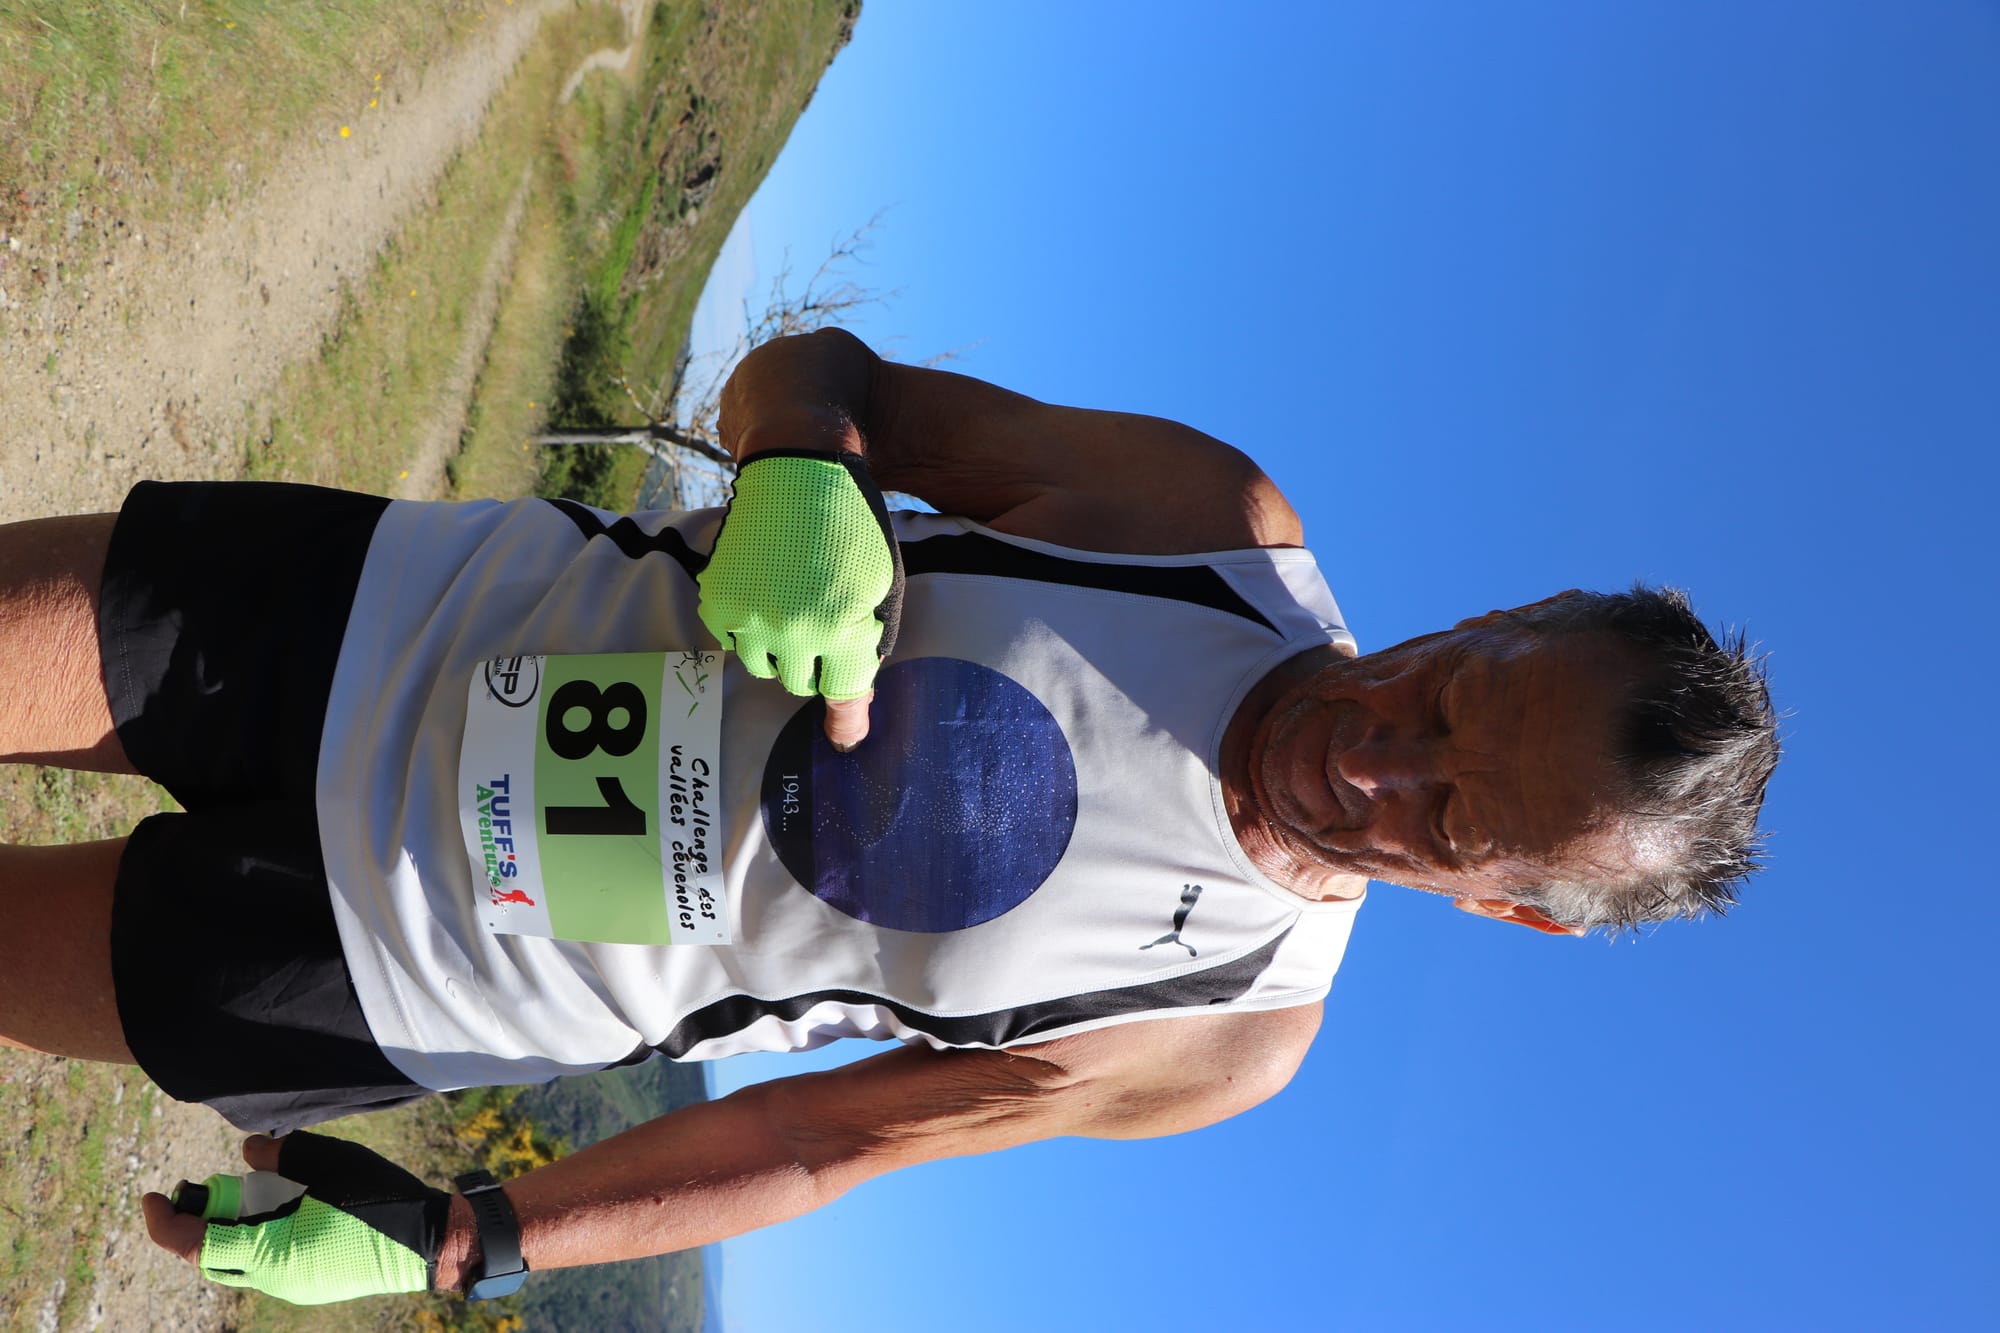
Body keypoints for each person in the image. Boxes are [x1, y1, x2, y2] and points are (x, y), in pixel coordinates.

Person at [0, 329, 1778, 1305]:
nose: (1379, 759)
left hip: (396, 964)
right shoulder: (1205, 525)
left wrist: (473, 1246)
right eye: (1454, 694)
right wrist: (801, 465)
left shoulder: (1235, 1030)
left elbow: (833, 1139)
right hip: (384, 616)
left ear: (1514, 911)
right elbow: (818, 370)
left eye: (1458, 817)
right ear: (1495, 617)